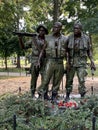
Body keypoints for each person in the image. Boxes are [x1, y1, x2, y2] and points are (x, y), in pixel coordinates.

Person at [65, 21, 96, 100]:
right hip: (71, 62)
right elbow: (66, 51)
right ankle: (67, 95)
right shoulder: (69, 37)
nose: (75, 30)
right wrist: (67, 62)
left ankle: (82, 96)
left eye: (77, 28)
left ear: (81, 29)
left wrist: (92, 61)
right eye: (74, 28)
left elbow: (89, 51)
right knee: (69, 79)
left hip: (82, 62)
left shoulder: (86, 38)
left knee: (82, 80)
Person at [38, 22, 68, 100]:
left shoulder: (65, 39)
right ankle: (42, 94)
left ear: (60, 28)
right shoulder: (47, 37)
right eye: (54, 27)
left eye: (57, 27)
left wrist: (68, 62)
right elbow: (42, 50)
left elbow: (67, 52)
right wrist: (38, 60)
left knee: (57, 80)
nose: (54, 29)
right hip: (50, 61)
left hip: (60, 61)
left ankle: (54, 96)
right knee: (46, 79)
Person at [18, 24, 48, 98]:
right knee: (34, 78)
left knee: (45, 78)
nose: (42, 32)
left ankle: (44, 93)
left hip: (44, 61)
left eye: (43, 30)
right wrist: (20, 39)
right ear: (38, 31)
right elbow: (23, 47)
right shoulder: (33, 39)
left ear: (45, 32)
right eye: (40, 30)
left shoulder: (47, 40)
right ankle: (32, 93)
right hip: (34, 60)